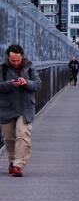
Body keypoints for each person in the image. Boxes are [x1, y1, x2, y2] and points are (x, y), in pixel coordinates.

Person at [0, 44, 41, 177]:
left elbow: (38, 85)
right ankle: (12, 161)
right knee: (9, 138)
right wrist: (10, 84)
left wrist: (26, 82)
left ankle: (18, 165)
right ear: (8, 57)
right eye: (13, 60)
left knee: (23, 136)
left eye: (18, 60)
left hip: (25, 107)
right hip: (6, 108)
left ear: (21, 57)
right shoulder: (3, 69)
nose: (16, 63)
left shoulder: (30, 68)